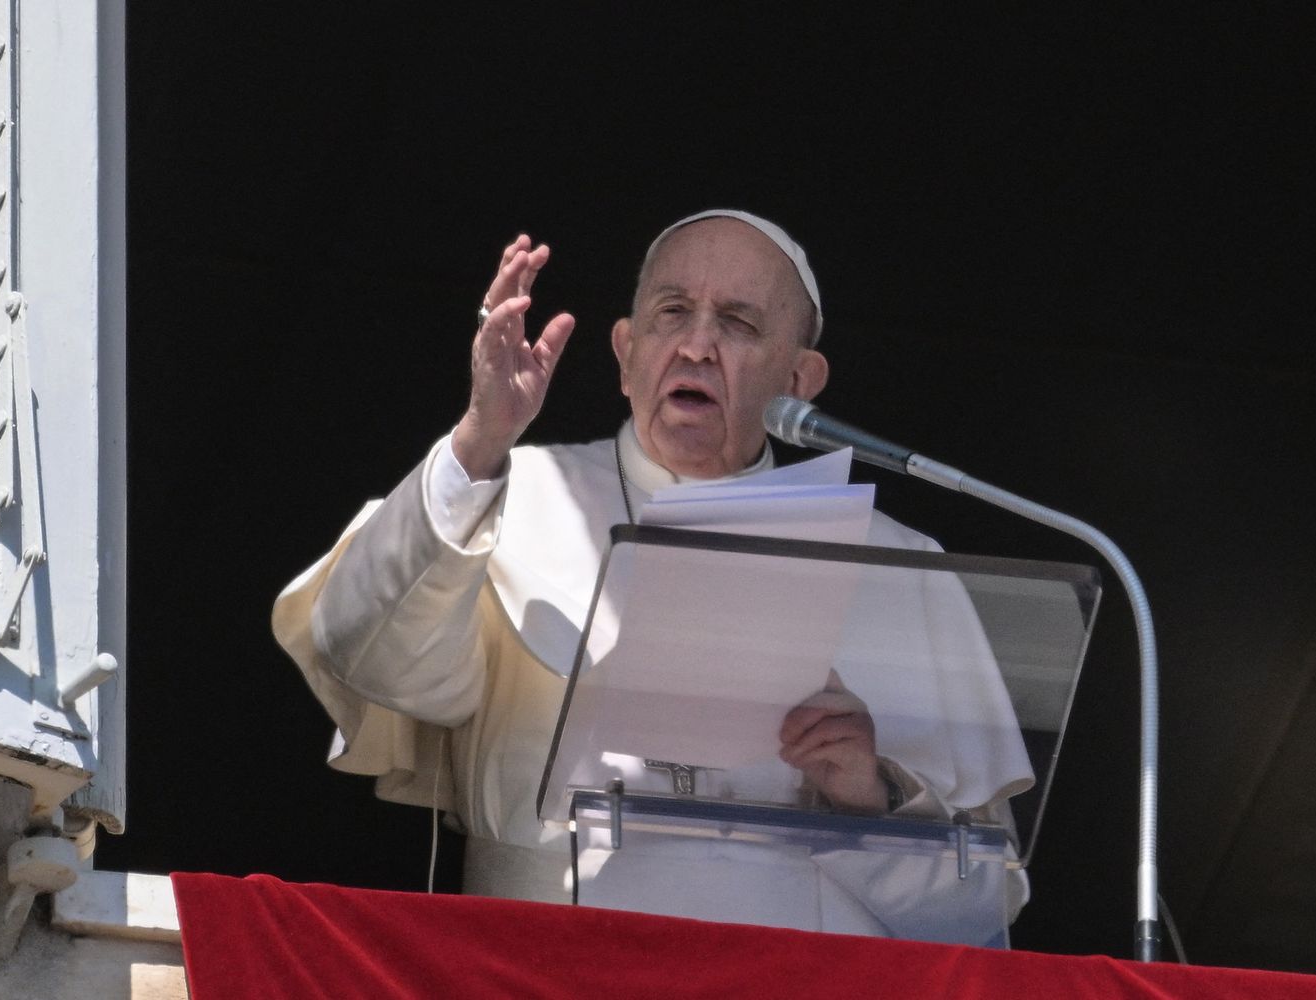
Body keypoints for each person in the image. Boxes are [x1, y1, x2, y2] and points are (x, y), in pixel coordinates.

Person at [272, 210, 1032, 939]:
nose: (697, 346)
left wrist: (875, 799)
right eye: (672, 313)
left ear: (801, 379)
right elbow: (368, 655)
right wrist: (480, 437)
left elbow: (980, 906)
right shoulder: (502, 497)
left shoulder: (898, 564)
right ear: (626, 353)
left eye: (738, 323)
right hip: (545, 969)